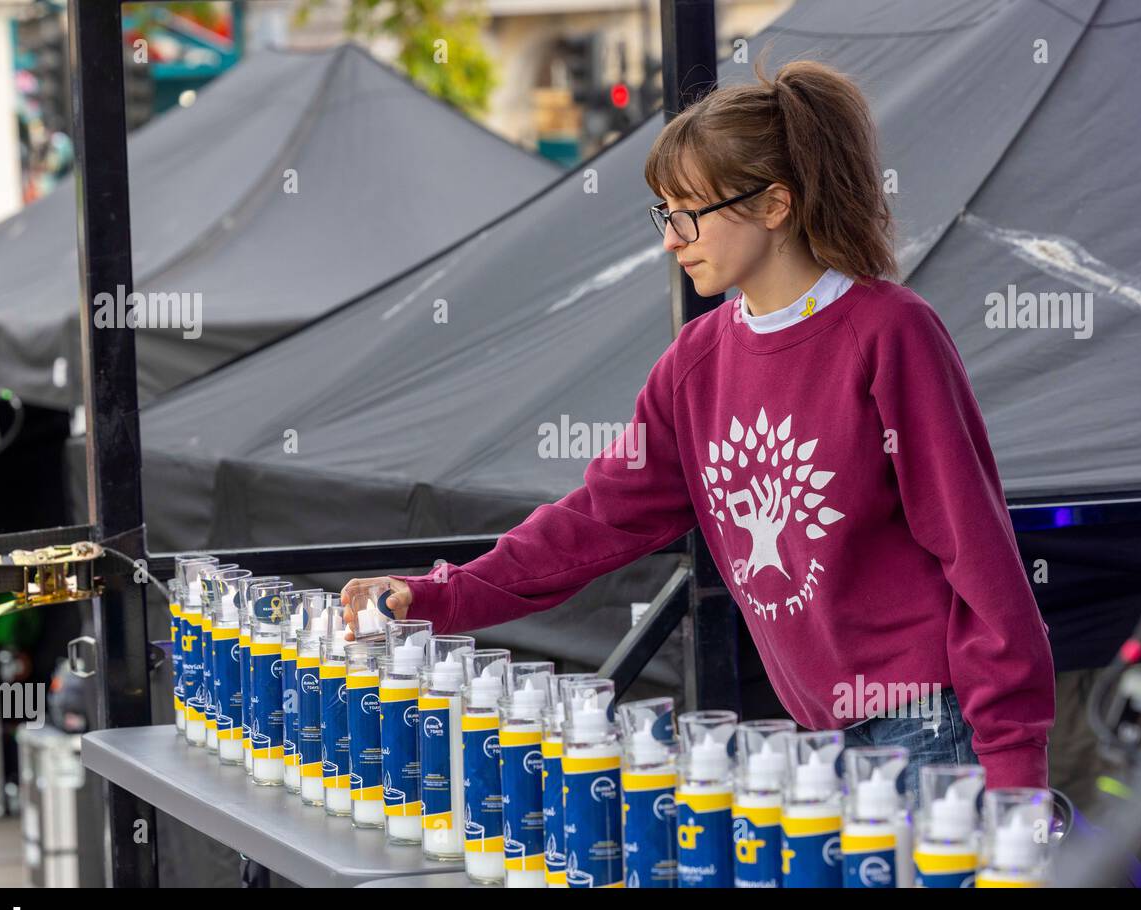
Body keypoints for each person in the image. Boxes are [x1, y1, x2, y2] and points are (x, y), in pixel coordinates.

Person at [343, 56, 1054, 792]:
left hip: (931, 727)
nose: (671, 238)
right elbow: (590, 523)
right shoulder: (695, 363)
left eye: (689, 212)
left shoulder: (889, 333)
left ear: (775, 205)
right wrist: (437, 592)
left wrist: (1013, 765)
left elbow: (978, 552)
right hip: (814, 741)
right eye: (665, 213)